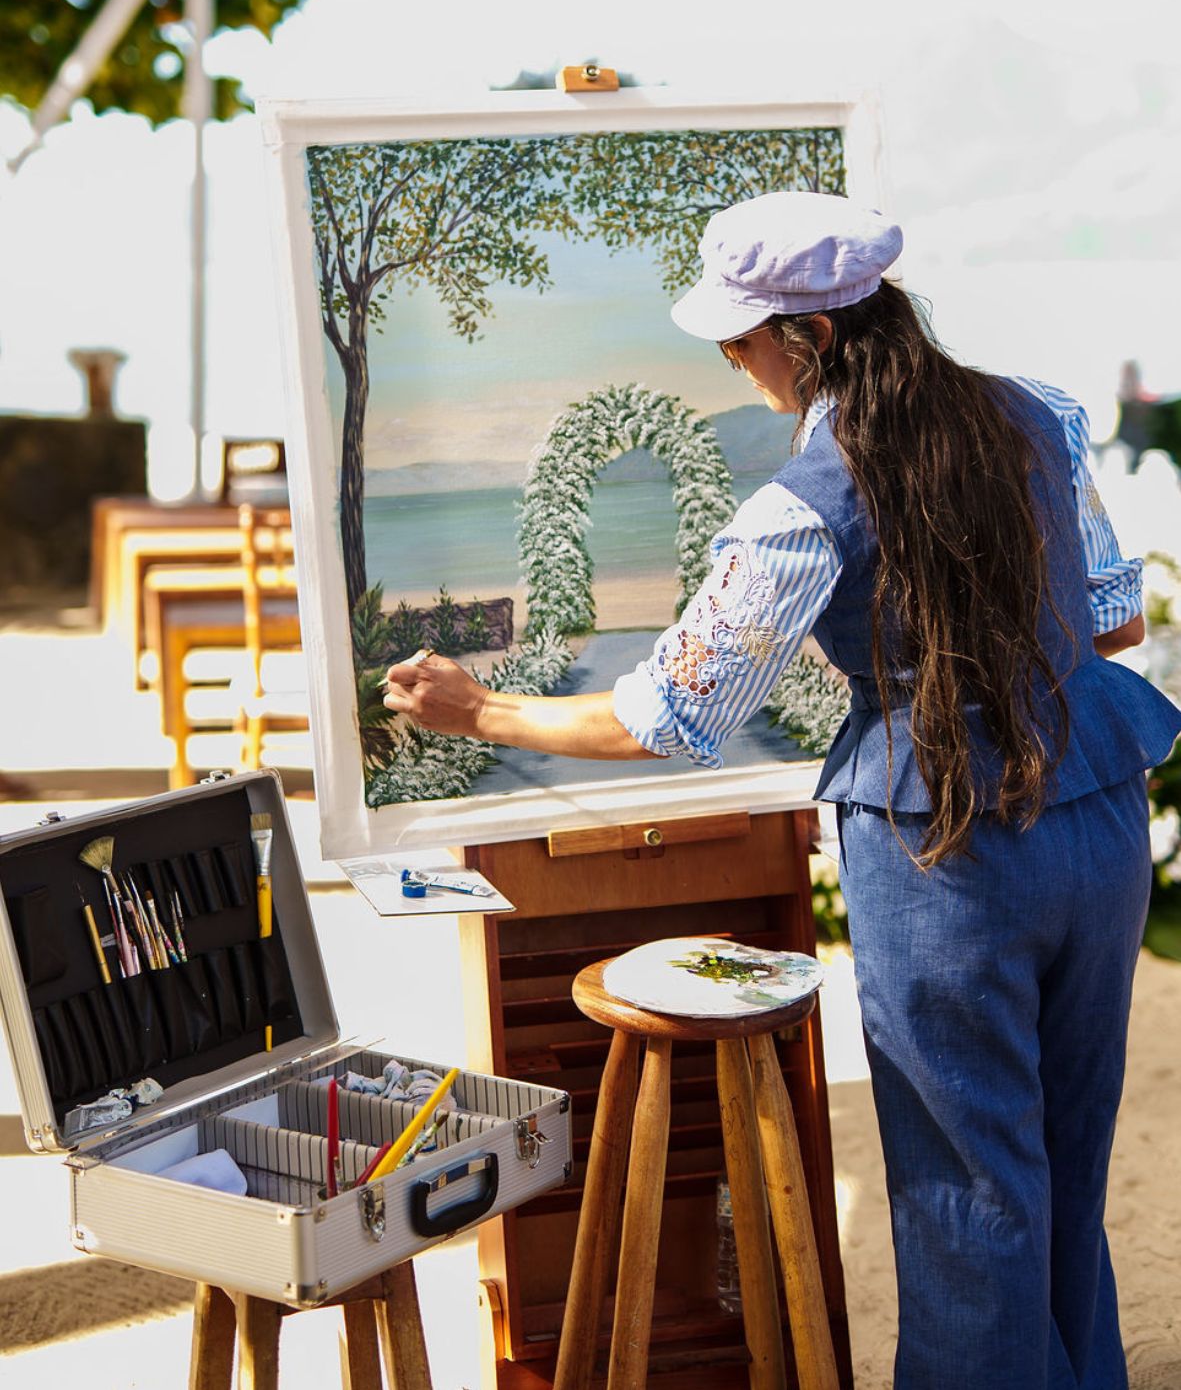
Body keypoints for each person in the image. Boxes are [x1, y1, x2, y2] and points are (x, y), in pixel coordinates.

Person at [384, 190, 1181, 1390]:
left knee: (967, 1190)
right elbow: (1112, 616)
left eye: (737, 338)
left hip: (946, 848)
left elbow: (669, 710)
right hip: (1096, 807)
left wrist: (478, 710)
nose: (731, 359)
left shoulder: (800, 505)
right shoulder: (1044, 414)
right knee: (1062, 1162)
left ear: (804, 339)